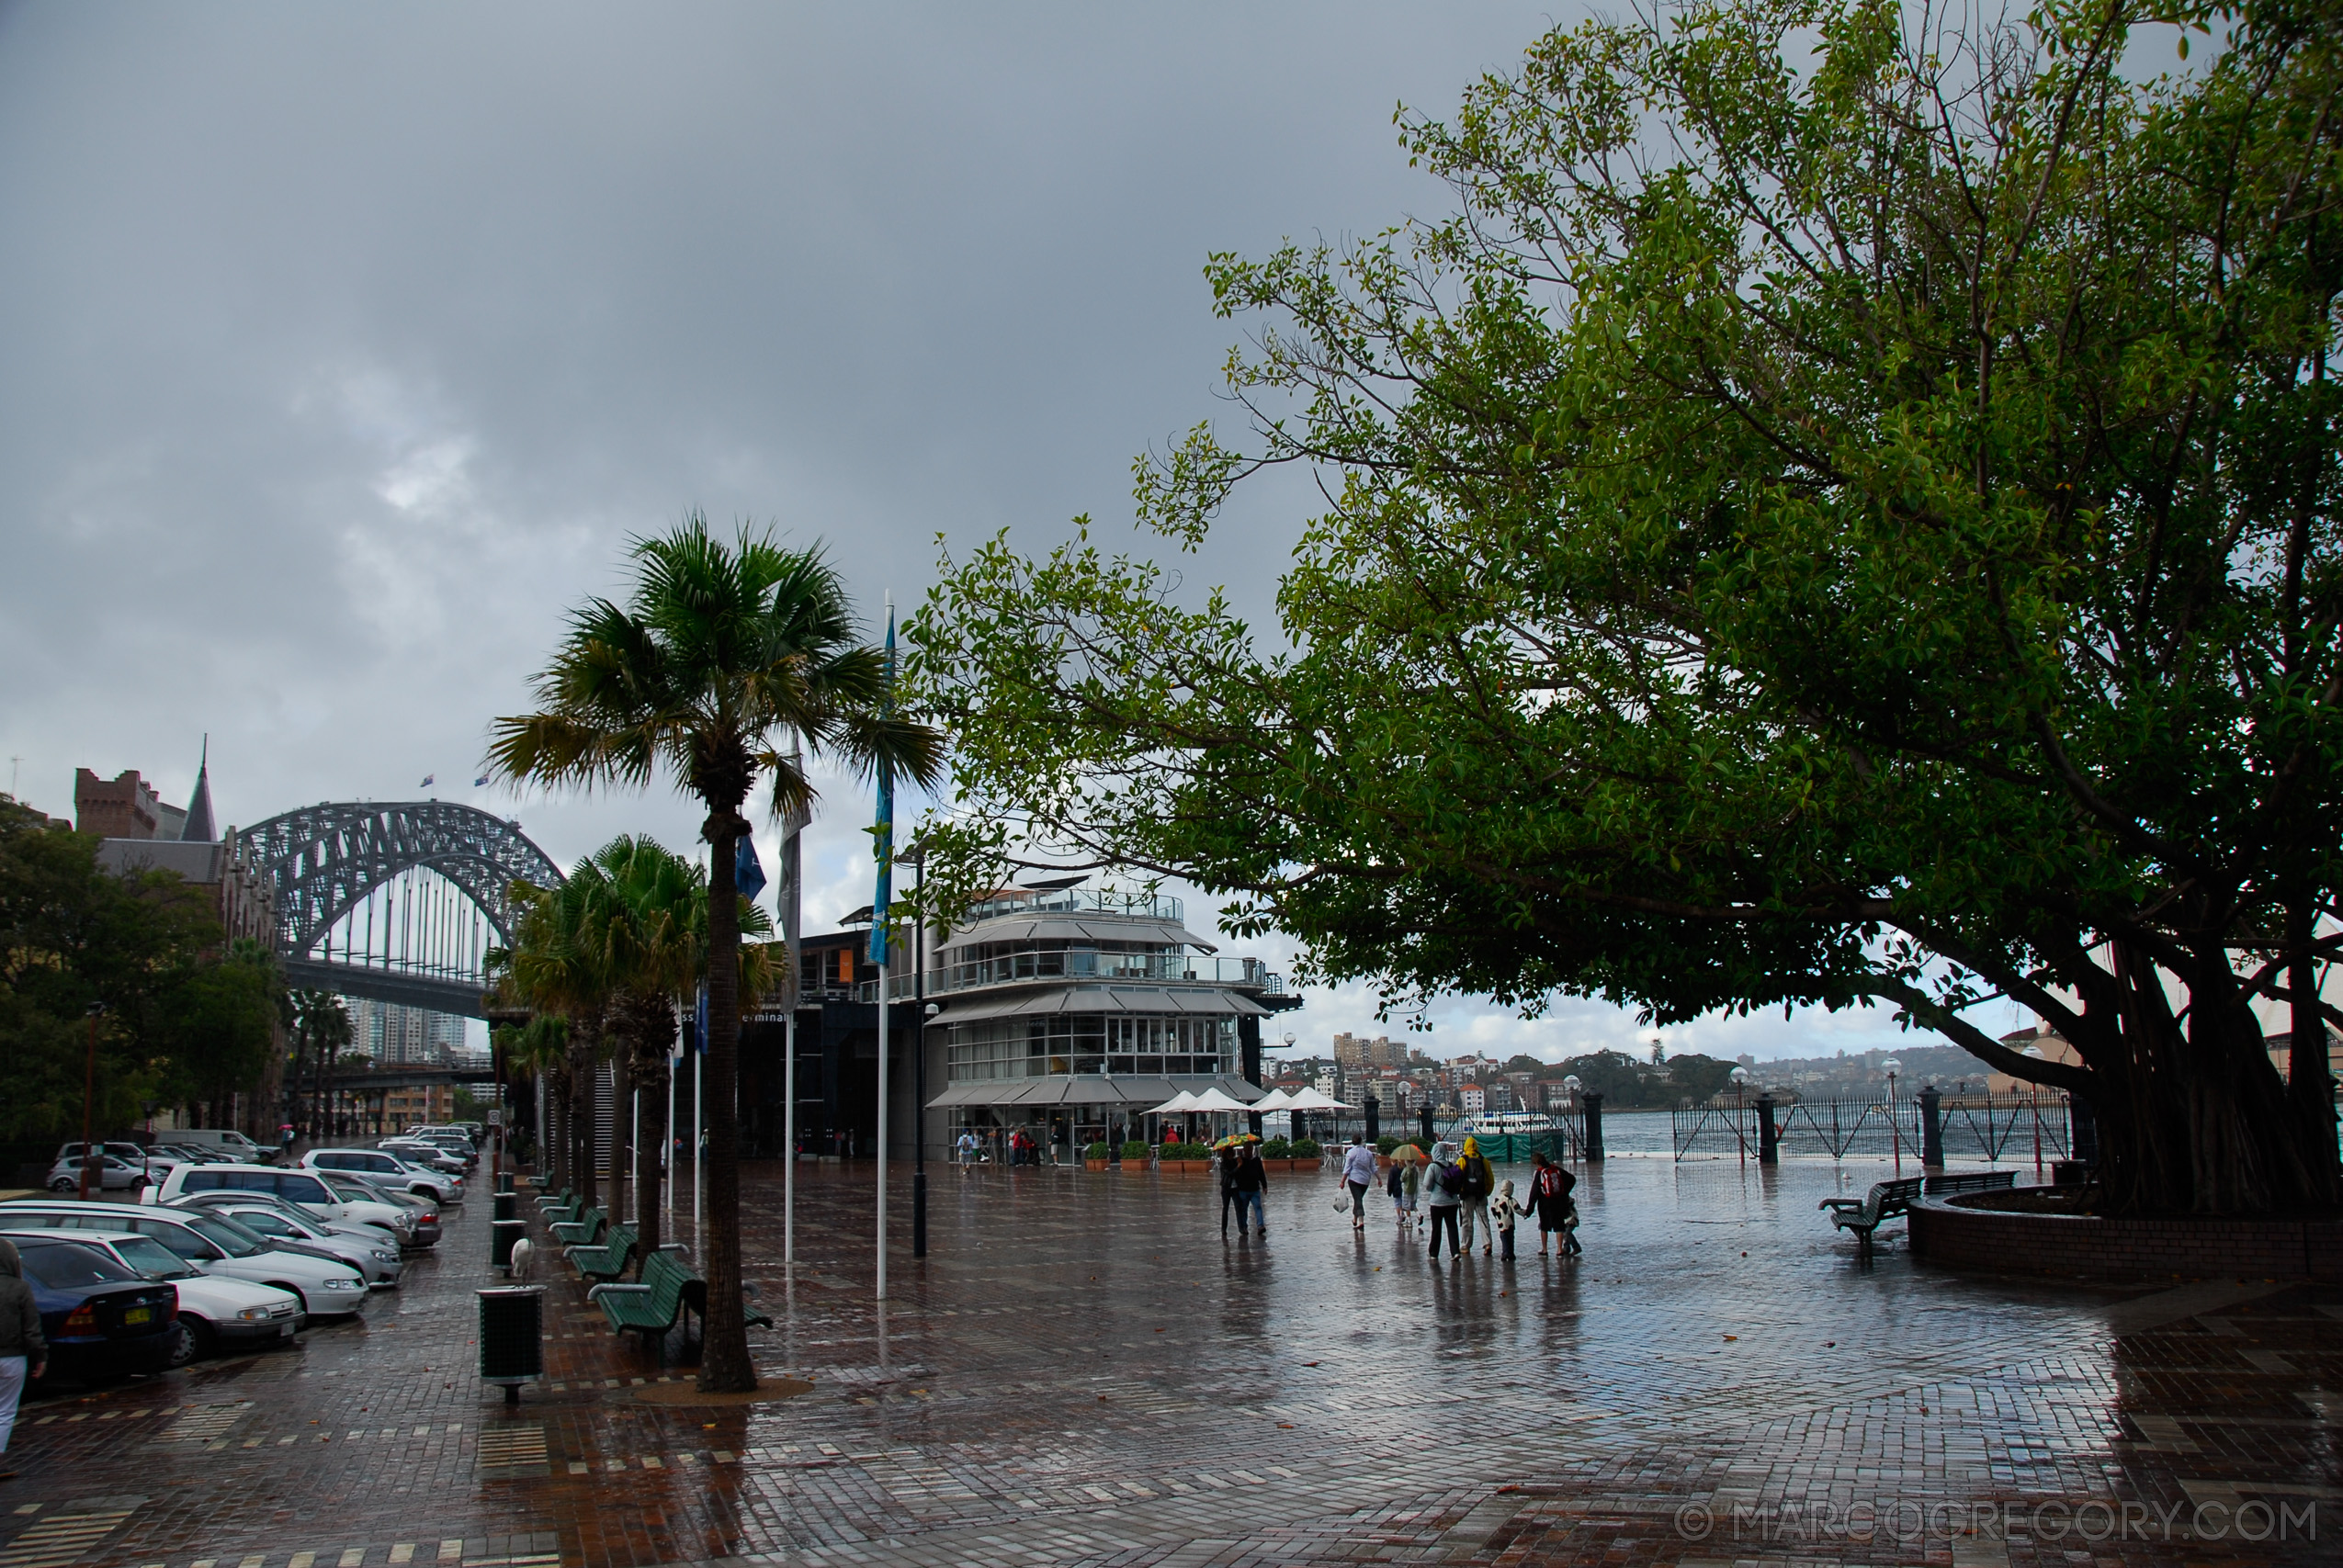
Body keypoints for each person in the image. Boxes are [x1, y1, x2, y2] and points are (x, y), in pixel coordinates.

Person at [0, 1238, 46, 1480]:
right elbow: (31, 1329)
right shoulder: (19, 1288)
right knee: (4, 1411)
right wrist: (40, 1356)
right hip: (12, 1356)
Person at [1454, 1135, 1496, 1255]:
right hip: (1481, 1194)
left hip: (1467, 1195)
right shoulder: (1484, 1160)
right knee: (1484, 1219)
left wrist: (1460, 1191)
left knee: (1467, 1220)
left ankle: (1465, 1246)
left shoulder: (1462, 1160)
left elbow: (1457, 1177)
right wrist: (1487, 1191)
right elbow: (1490, 1178)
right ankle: (1487, 1244)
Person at [1424, 1141, 1464, 1263]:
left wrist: (1433, 1190)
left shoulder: (1432, 1167)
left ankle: (1434, 1253)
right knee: (1452, 1227)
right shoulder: (1451, 1165)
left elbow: (1427, 1185)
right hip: (1452, 1203)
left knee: (1436, 1228)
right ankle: (1455, 1251)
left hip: (1436, 1203)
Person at [1339, 1135, 1377, 1232]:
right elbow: (1373, 1168)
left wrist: (1342, 1181)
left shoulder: (1351, 1153)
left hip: (1354, 1180)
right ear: (1361, 1141)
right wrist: (1379, 1179)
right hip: (1365, 1181)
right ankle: (1355, 1219)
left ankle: (1361, 1222)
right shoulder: (1368, 1153)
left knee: (1358, 1199)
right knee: (1358, 1199)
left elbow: (1346, 1169)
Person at [1230, 1144, 1270, 1236]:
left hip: (1254, 1189)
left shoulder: (1257, 1160)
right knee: (1244, 1210)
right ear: (1244, 1150)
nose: (1248, 1151)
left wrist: (1264, 1185)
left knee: (1258, 1207)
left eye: (1250, 1149)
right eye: (1246, 1149)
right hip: (1243, 1190)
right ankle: (1244, 1227)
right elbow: (1235, 1173)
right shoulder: (1240, 1161)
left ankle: (1260, 1226)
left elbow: (1261, 1173)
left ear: (1252, 1149)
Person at [1490, 1178, 1520, 1261]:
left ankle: (1505, 1252)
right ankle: (1510, 1253)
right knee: (1510, 1238)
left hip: (1501, 1223)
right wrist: (1526, 1213)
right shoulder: (1510, 1199)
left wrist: (1496, 1216)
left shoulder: (1497, 1199)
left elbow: (1492, 1208)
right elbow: (1517, 1209)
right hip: (1510, 1222)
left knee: (1503, 1237)